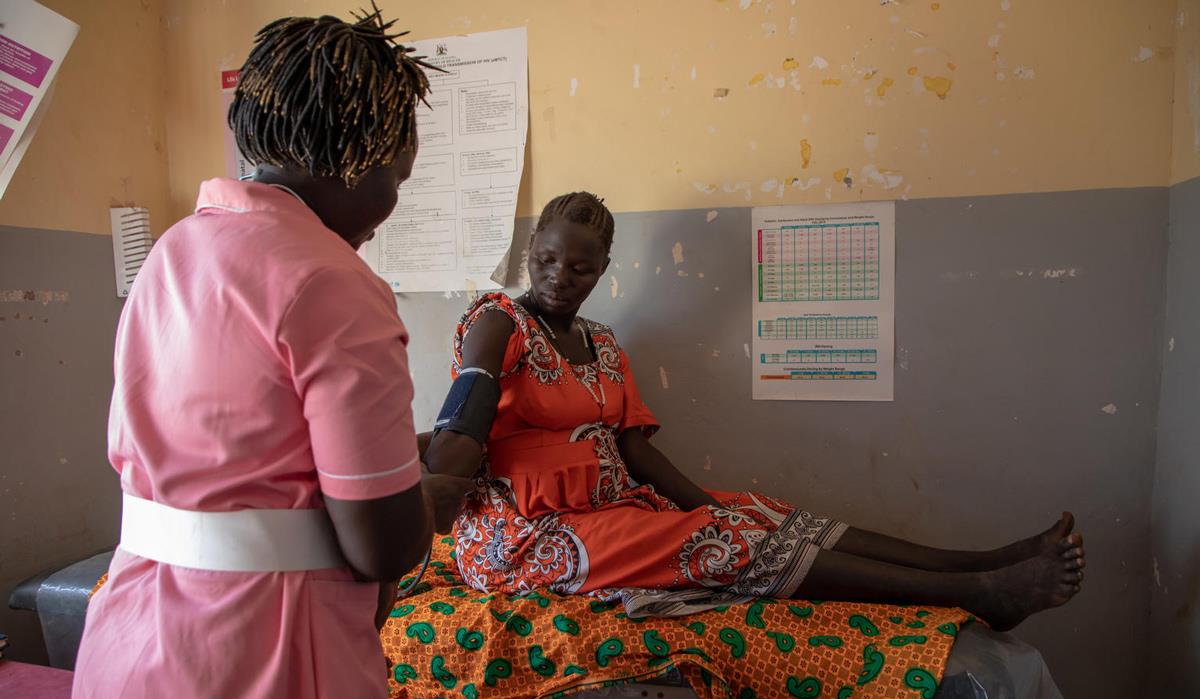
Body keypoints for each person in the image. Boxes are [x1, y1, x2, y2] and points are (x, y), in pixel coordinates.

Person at [422, 191, 1086, 628]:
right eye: (546, 258)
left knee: (756, 513)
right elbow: (460, 432)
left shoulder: (601, 341)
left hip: (612, 502)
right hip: (526, 534)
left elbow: (634, 448)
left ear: (603, 269)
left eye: (580, 267)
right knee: (725, 544)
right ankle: (979, 596)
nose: (559, 276)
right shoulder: (498, 322)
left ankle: (971, 562)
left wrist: (707, 505)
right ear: (530, 249)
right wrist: (425, 483)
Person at [72, 9, 470, 699]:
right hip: (258, 655)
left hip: (133, 638)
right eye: (398, 180)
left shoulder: (175, 250)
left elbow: (235, 453)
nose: (390, 205)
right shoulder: (333, 282)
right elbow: (381, 545)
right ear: (362, 159)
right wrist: (426, 500)